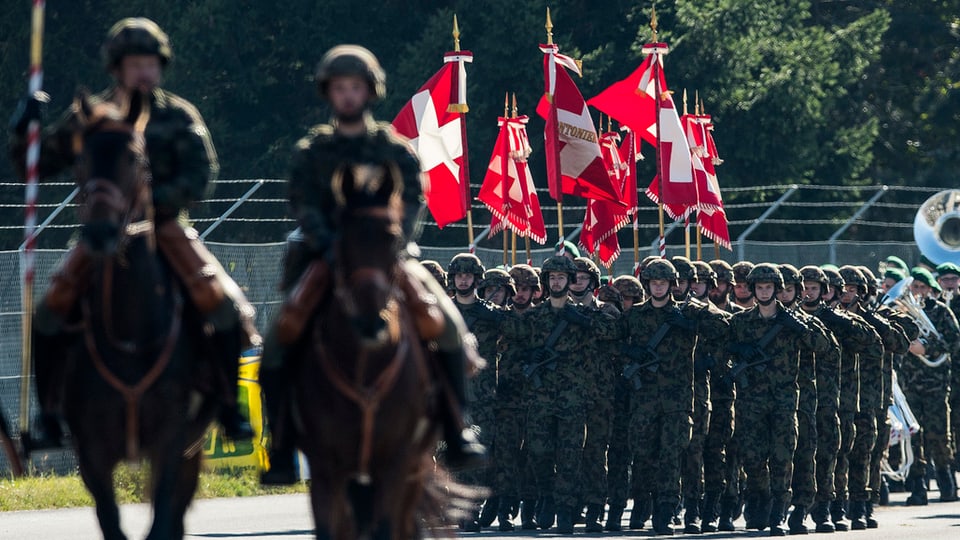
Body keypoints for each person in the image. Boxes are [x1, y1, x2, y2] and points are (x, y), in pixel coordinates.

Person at [8, 17, 258, 448]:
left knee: (228, 309)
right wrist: (24, 128)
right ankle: (50, 415)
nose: (144, 72)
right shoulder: (91, 117)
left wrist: (152, 204)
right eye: (134, 64)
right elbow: (39, 165)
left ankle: (226, 406)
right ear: (117, 68)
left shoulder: (179, 116)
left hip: (165, 227)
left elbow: (202, 174)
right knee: (50, 310)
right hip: (101, 235)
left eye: (150, 63)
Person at [258, 44, 485, 484]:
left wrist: (396, 240)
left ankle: (458, 429)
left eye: (355, 87)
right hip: (325, 256)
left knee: (448, 325)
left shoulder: (393, 149)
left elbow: (415, 199)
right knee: (282, 333)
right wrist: (329, 242)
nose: (347, 96)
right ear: (329, 93)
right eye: (340, 88)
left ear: (370, 92)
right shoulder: (314, 150)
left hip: (386, 254)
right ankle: (282, 444)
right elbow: (302, 202)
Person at [726, 263, 832, 536]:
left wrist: (796, 326)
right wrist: (737, 350)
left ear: (777, 289)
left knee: (783, 457)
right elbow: (719, 352)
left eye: (769, 287)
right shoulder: (740, 322)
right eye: (759, 287)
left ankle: (779, 513)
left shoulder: (794, 322)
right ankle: (760, 501)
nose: (763, 292)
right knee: (752, 457)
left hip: (785, 401)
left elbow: (823, 346)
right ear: (752, 289)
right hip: (751, 401)